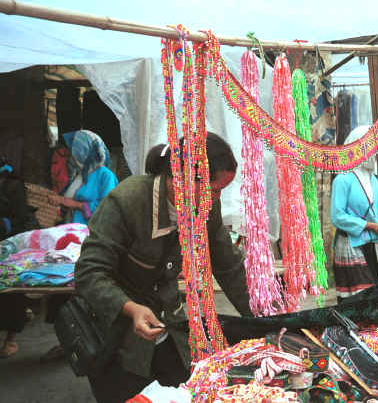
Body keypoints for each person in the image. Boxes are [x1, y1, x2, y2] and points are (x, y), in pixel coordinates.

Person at [74, 132, 252, 403]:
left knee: (186, 391)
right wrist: (131, 309)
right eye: (213, 190)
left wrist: (263, 319)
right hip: (116, 334)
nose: (215, 199)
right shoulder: (127, 201)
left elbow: (228, 265)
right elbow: (89, 273)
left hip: (167, 324)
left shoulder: (204, 208)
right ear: (179, 179)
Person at [330, 126, 378, 303]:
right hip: (351, 246)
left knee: (375, 294)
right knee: (358, 300)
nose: (375, 151)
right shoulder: (343, 179)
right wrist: (370, 226)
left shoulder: (375, 179)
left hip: (374, 245)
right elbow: (337, 216)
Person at [0, 158, 40, 358]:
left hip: (11, 246)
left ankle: (11, 339)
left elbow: (20, 219)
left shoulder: (13, 186)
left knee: (11, 292)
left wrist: (5, 224)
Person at [48, 129, 118, 225]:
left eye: (74, 149)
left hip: (92, 234)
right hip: (72, 228)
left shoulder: (106, 176)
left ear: (83, 150)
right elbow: (69, 201)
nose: (71, 153)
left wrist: (74, 204)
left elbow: (106, 212)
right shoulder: (80, 173)